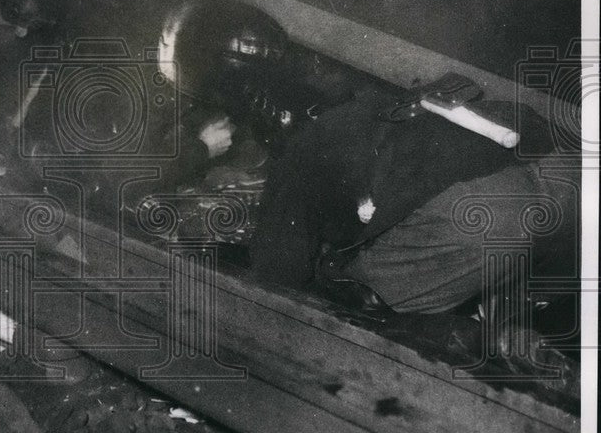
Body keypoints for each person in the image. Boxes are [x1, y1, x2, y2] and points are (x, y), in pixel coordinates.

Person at [248, 75, 578, 316]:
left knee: (350, 299)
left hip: (481, 217)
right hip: (560, 169)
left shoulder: (303, 148)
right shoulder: (377, 104)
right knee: (507, 319)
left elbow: (277, 274)